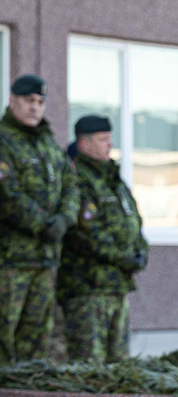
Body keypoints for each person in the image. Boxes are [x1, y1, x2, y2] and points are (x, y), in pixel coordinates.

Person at [0, 74, 79, 371]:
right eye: (29, 101)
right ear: (12, 101)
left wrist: (64, 218)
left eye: (40, 102)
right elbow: (5, 194)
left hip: (44, 261)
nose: (35, 107)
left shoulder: (48, 143)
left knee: (35, 346)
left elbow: (72, 186)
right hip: (8, 261)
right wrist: (45, 224)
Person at [59, 115, 148, 363]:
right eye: (103, 139)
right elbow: (86, 233)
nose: (110, 144)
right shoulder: (77, 179)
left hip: (117, 287)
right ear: (85, 144)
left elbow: (134, 222)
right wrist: (125, 257)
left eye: (110, 139)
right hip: (88, 289)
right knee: (91, 366)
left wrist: (141, 251)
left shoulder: (113, 181)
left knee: (119, 366)